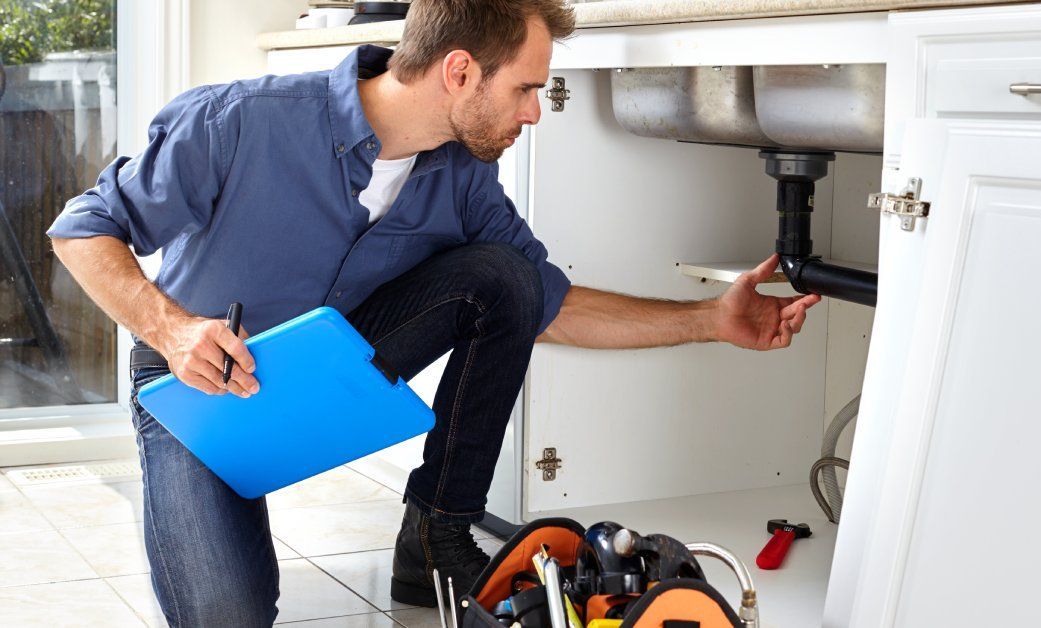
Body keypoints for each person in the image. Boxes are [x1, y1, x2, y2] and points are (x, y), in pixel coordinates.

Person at [46, 0, 821, 625]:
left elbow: (547, 306)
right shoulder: (237, 120)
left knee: (505, 276)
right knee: (227, 614)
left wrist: (710, 320)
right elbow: (81, 229)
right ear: (459, 71)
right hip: (204, 387)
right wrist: (174, 331)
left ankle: (435, 537)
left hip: (330, 365)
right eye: (525, 88)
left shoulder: (463, 181)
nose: (534, 112)